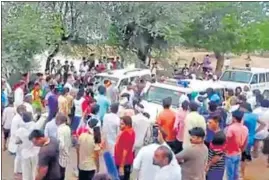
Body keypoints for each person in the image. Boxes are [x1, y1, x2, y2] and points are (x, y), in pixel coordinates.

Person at [240, 102, 266, 179]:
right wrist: (255, 131)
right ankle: (244, 172)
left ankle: (242, 174)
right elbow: (263, 124)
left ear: (244, 108)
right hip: (251, 137)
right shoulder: (254, 116)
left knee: (242, 157)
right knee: (245, 156)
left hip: (243, 137)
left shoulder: (243, 116)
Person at [15, 112, 40, 180]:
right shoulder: (35, 126)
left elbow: (17, 142)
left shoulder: (20, 130)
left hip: (25, 153)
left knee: (26, 172)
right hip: (35, 152)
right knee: (35, 170)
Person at [225, 110, 248, 180]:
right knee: (236, 173)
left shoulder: (231, 128)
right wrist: (242, 150)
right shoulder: (245, 128)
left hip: (230, 153)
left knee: (229, 174)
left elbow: (227, 140)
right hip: (239, 152)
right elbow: (245, 142)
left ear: (234, 118)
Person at [114, 116, 135, 180]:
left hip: (123, 162)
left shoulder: (126, 133)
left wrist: (121, 166)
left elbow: (125, 151)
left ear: (128, 125)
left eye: (122, 124)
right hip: (126, 161)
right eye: (120, 123)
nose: (120, 125)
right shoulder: (131, 131)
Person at [206, 115, 226, 180]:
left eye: (210, 122)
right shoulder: (218, 134)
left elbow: (217, 156)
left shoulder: (218, 137)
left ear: (217, 123)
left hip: (215, 168)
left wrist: (208, 165)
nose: (208, 124)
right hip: (216, 168)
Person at [8, 105, 26, 176]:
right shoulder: (17, 119)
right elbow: (14, 131)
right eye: (24, 109)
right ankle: (17, 172)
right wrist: (19, 140)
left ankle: (19, 171)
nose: (25, 111)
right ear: (21, 111)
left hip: (19, 140)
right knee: (18, 157)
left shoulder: (18, 118)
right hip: (18, 140)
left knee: (19, 157)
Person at [55, 113, 72, 180]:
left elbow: (61, 144)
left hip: (60, 155)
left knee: (58, 174)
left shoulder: (60, 129)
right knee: (63, 172)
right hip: (66, 152)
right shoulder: (67, 128)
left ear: (58, 120)